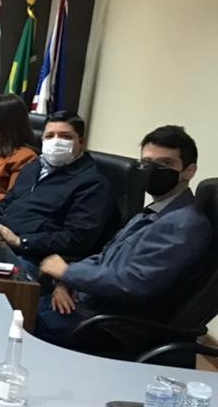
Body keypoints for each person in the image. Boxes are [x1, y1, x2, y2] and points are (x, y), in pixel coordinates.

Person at [35, 125, 212, 344]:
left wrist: (68, 273)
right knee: (17, 304)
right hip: (87, 304)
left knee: (20, 316)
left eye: (165, 164)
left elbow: (134, 283)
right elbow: (104, 256)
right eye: (147, 163)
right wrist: (67, 280)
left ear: (189, 171)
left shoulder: (184, 224)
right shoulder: (154, 212)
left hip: (111, 325)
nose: (153, 171)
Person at [0, 110, 110, 266]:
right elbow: (10, 200)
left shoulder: (92, 183)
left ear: (81, 142)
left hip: (35, 257)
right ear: (42, 139)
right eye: (50, 136)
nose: (56, 141)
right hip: (0, 240)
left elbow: (77, 238)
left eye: (65, 137)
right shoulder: (34, 166)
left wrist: (20, 241)